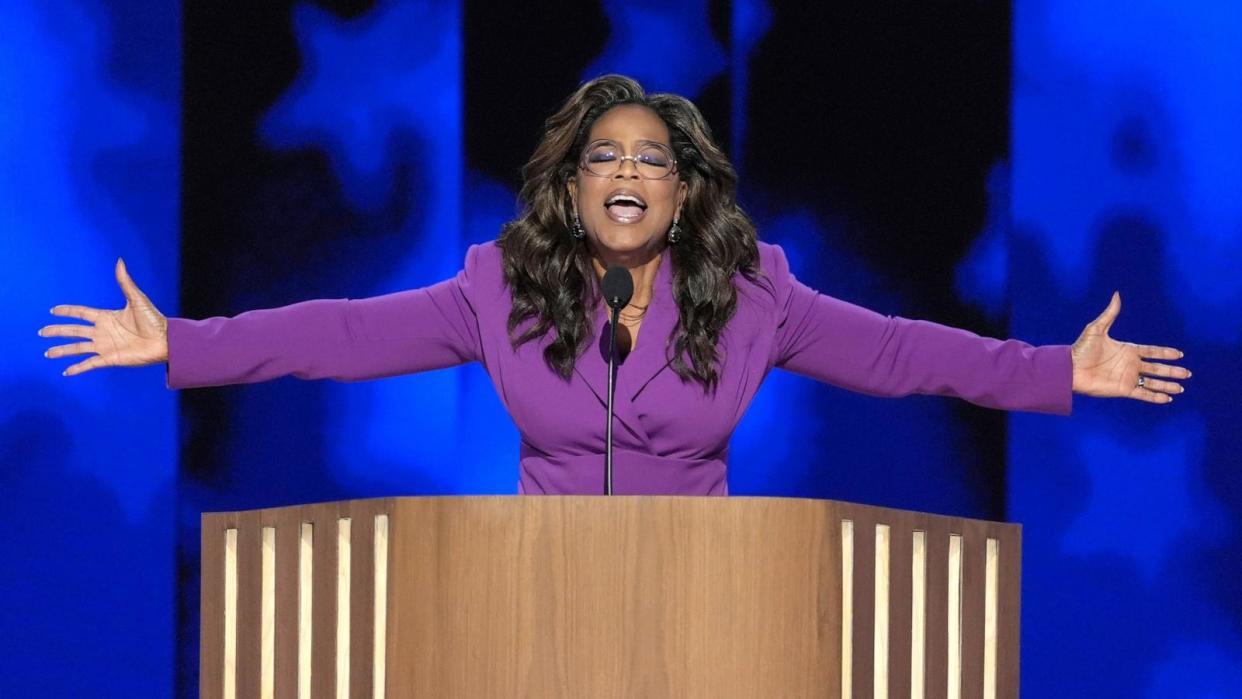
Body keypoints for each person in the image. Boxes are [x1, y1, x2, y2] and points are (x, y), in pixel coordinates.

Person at [38, 75, 1190, 495]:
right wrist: (181, 345)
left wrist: (1056, 369)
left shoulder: (757, 295)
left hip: (708, 614)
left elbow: (901, 352)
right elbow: (336, 332)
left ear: (686, 193)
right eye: (605, 156)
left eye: (653, 158)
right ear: (573, 188)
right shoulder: (498, 288)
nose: (628, 171)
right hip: (539, 612)